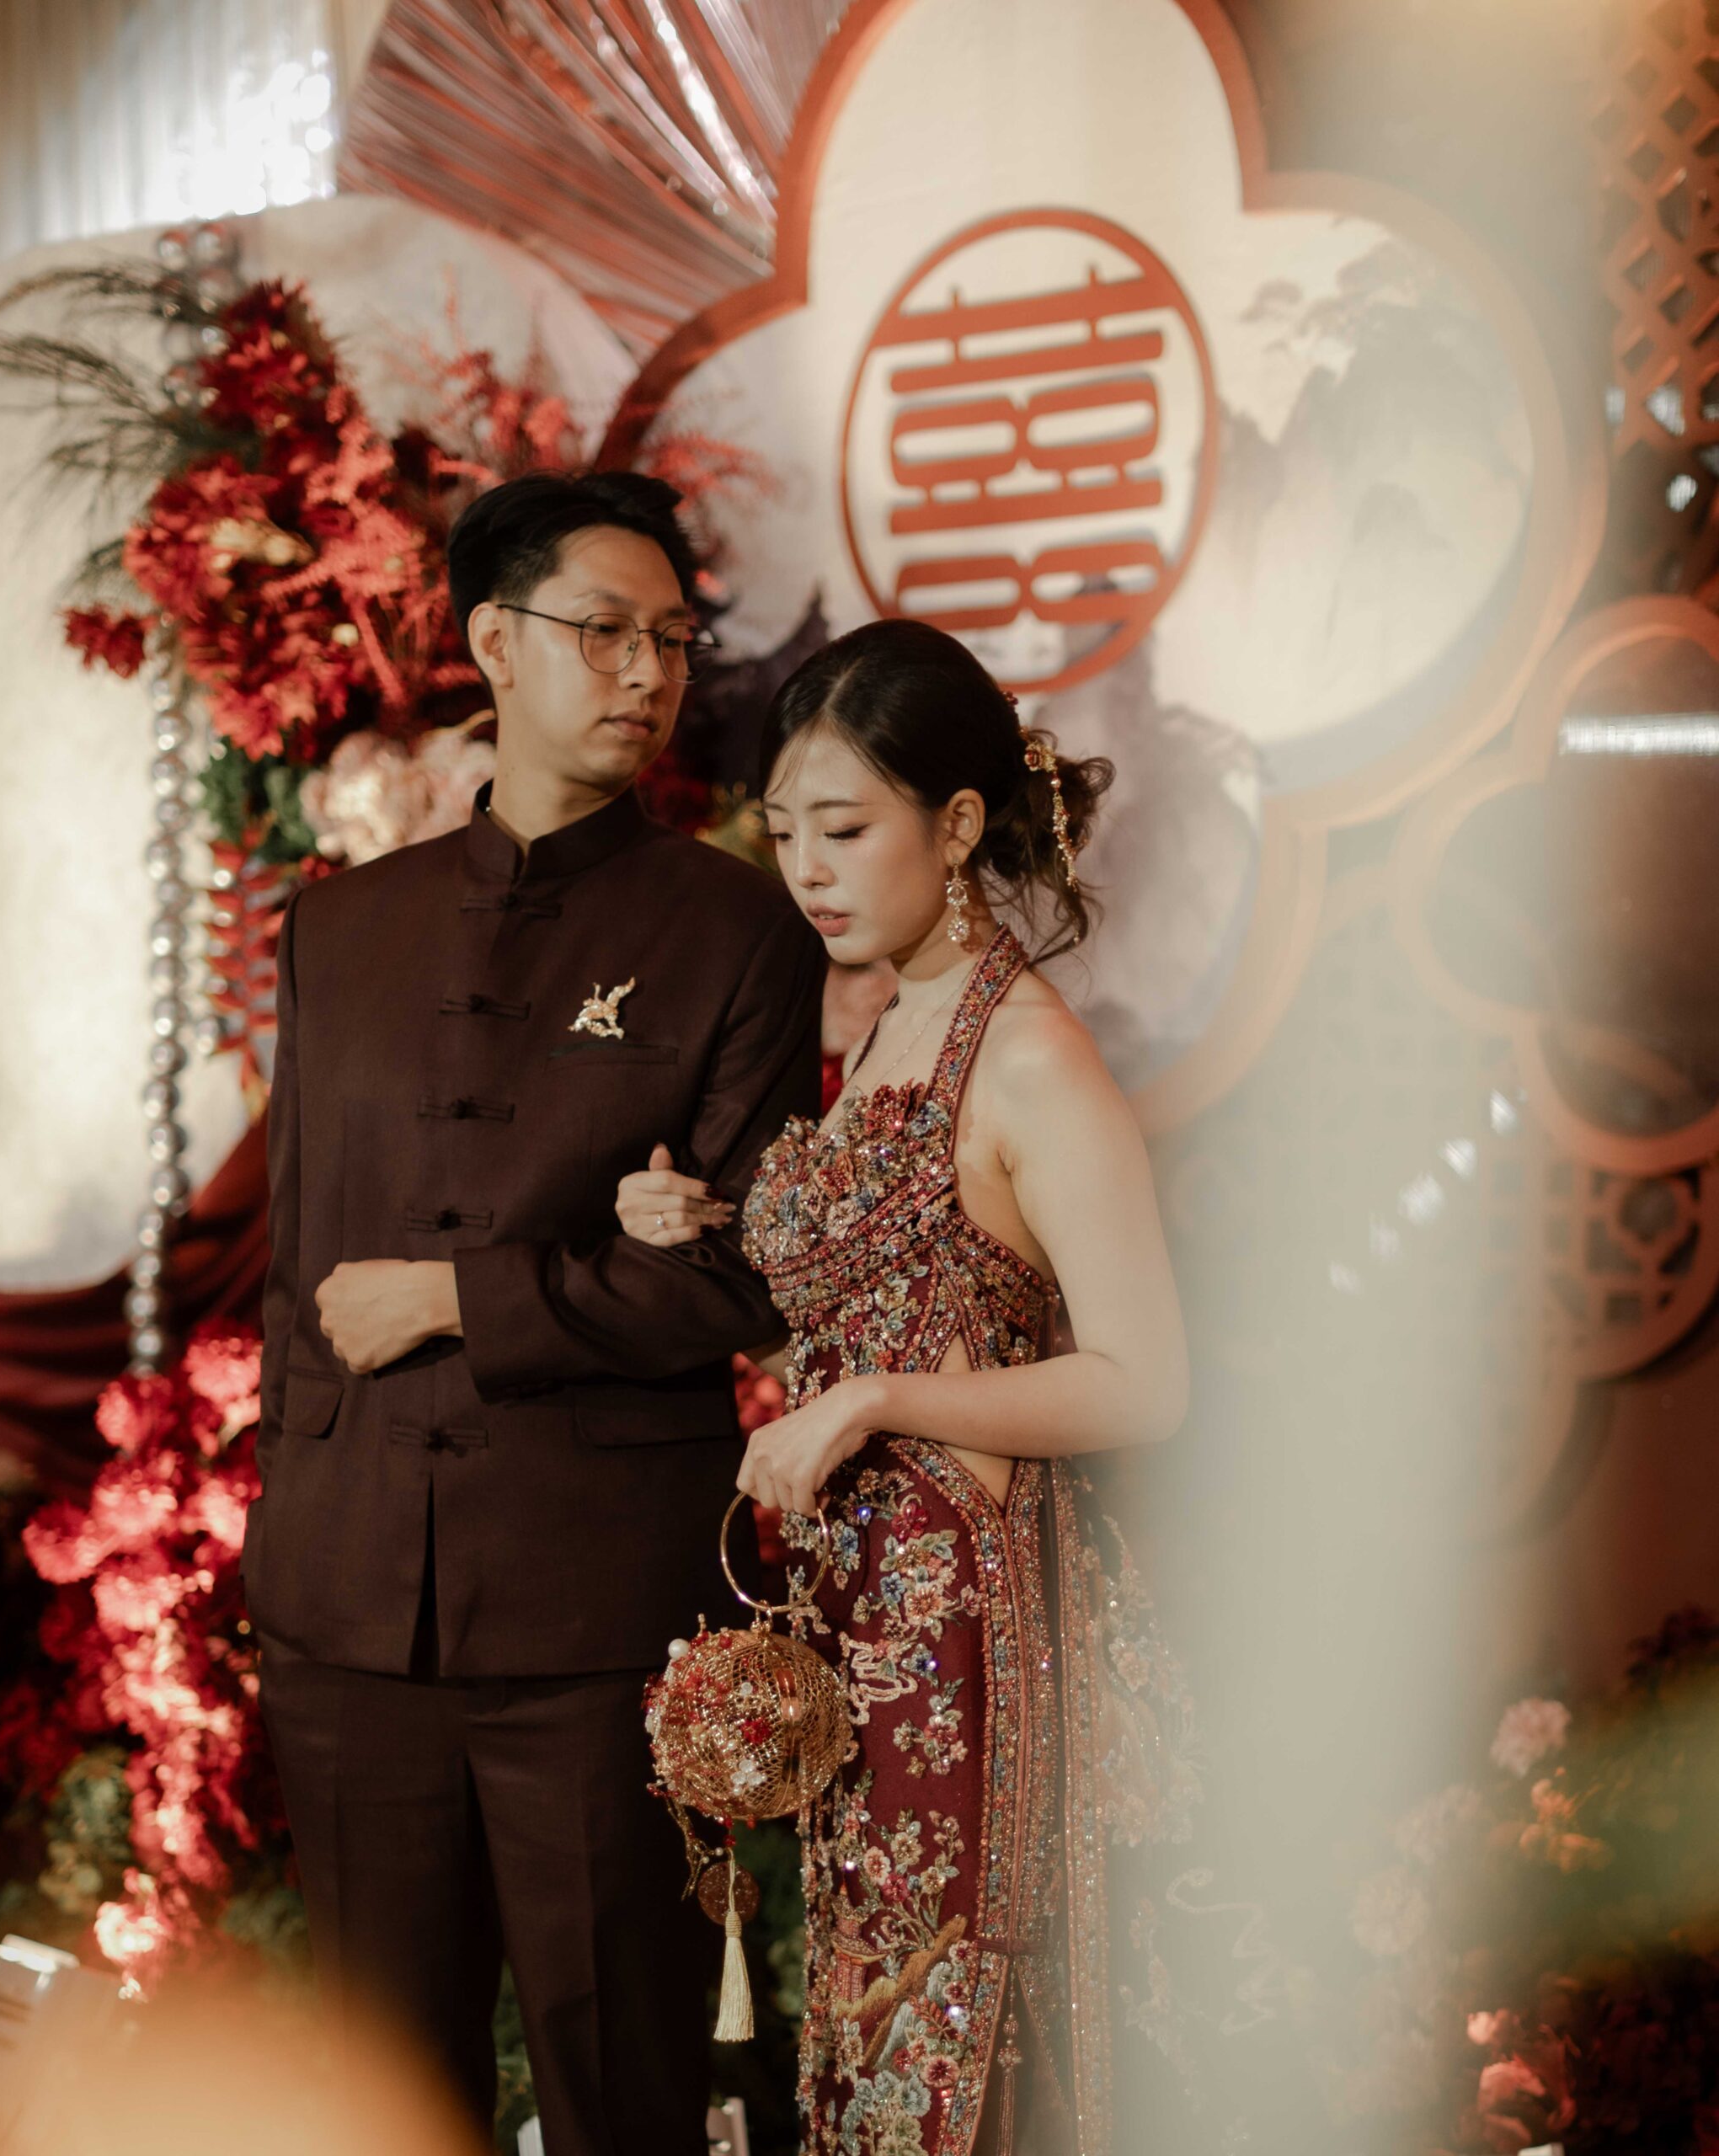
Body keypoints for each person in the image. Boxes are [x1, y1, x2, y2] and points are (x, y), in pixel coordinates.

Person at [243, 468, 826, 2154]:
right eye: (605, 631)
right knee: (383, 2102)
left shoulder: (736, 931)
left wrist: (458, 1297)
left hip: (599, 1620)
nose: (647, 671)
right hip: (349, 1619)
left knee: (623, 2094)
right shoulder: (339, 928)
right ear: (495, 642)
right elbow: (295, 1273)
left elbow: (744, 1269)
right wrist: (292, 1539)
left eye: (673, 640)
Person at [618, 618, 1194, 2155]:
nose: (806, 870)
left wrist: (870, 1403)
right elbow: (891, 1296)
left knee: (952, 2041)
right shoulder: (893, 1020)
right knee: (873, 2035)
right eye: (784, 830)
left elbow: (1143, 1382)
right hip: (867, 1623)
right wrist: (704, 1228)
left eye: (845, 828)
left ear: (956, 826)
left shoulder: (1030, 1054)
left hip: (975, 1627)